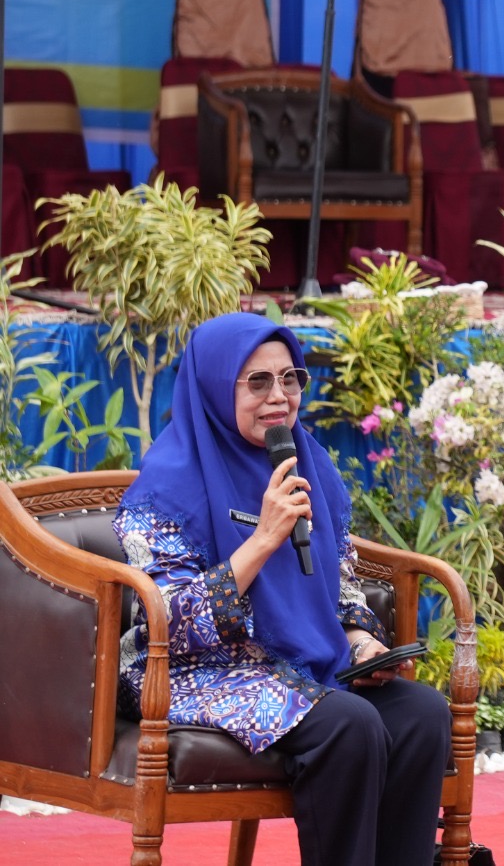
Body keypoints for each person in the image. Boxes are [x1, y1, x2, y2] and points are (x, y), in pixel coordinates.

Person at [113, 312, 450, 866]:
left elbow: (342, 584)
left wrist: (362, 642)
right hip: (189, 673)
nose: (280, 397)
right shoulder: (167, 487)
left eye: (290, 378)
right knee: (348, 723)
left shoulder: (307, 465)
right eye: (258, 381)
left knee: (420, 712)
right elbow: (166, 626)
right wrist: (261, 540)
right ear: (217, 388)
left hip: (291, 664)